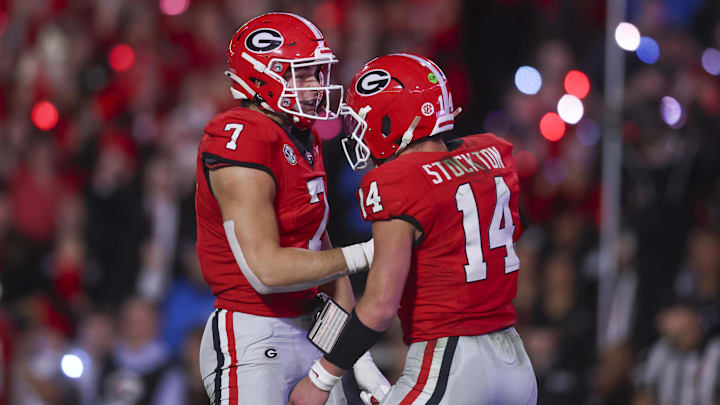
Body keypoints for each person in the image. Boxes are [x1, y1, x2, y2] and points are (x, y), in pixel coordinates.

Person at [290, 53, 537, 405]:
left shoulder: (397, 180)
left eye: (363, 120)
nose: (358, 131)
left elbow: (379, 306)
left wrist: (321, 378)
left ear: (393, 119)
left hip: (451, 360)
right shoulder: (490, 153)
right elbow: (512, 230)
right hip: (515, 361)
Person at [195, 12, 388, 405]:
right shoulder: (242, 137)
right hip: (253, 333)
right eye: (303, 75)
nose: (316, 85)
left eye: (316, 73)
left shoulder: (302, 135)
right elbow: (267, 271)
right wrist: (369, 253)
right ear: (262, 77)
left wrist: (356, 353)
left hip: (311, 326)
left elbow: (320, 248)